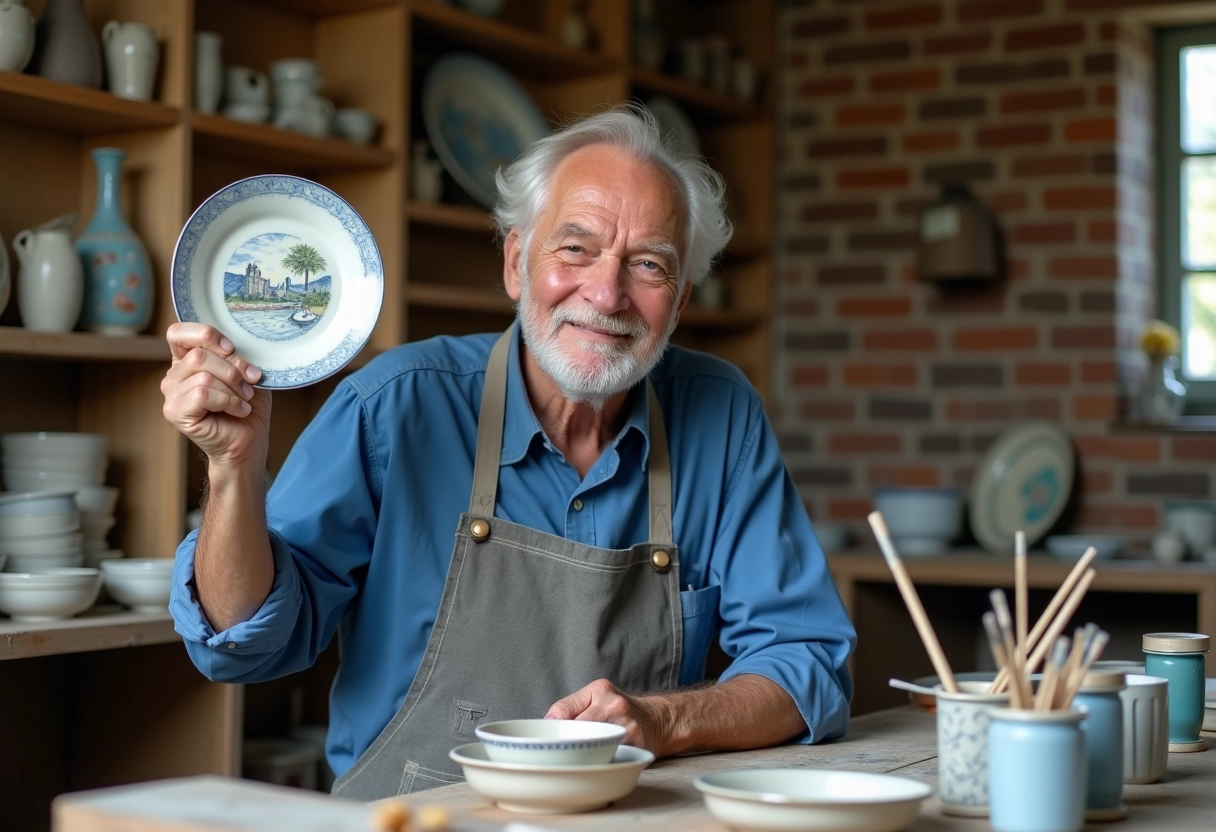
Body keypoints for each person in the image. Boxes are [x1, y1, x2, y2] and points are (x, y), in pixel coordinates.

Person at [161, 105, 855, 799]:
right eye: (575, 249)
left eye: (648, 265)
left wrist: (664, 720)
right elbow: (241, 645)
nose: (607, 293)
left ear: (677, 305)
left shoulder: (720, 413)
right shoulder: (395, 407)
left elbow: (809, 662)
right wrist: (234, 471)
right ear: (516, 263)